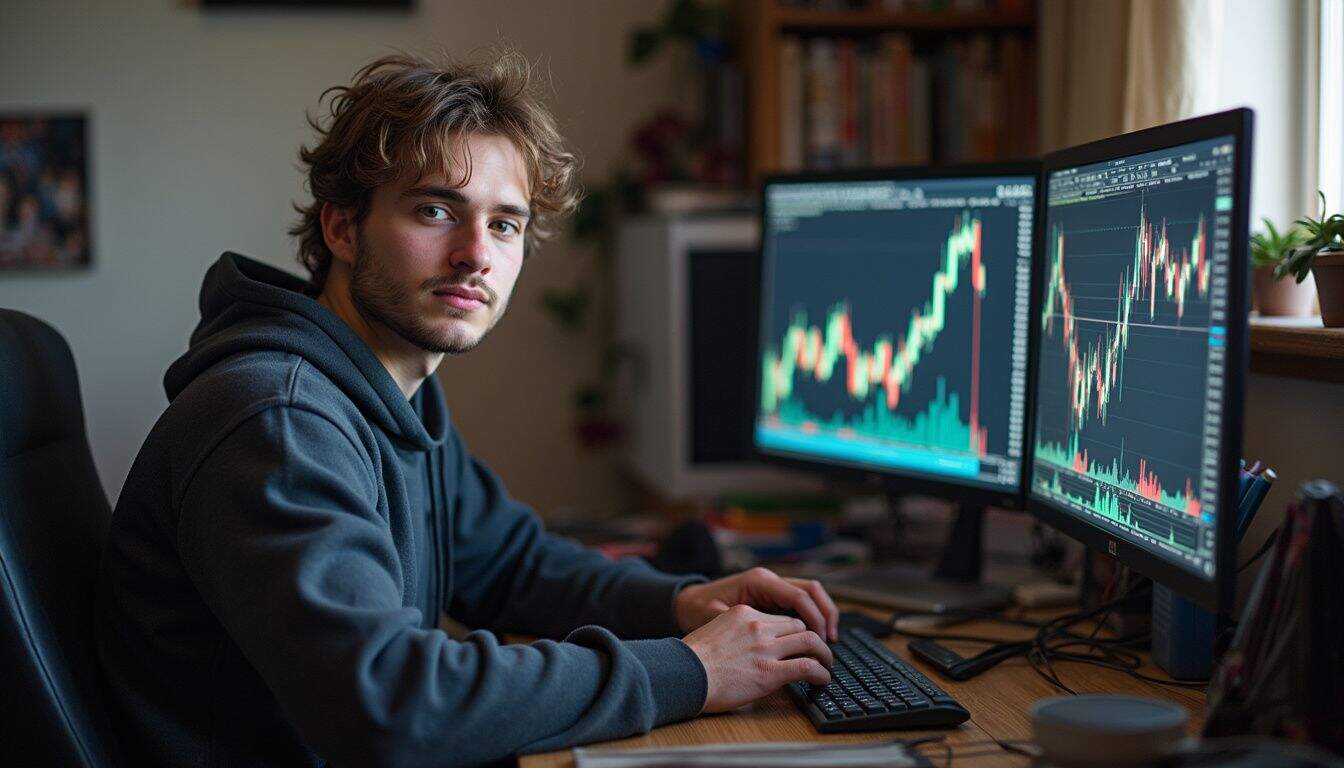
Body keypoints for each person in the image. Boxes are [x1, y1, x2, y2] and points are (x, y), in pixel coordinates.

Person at [97, 51, 837, 768]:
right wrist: (690, 671)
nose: (475, 254)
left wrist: (685, 605)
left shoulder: (384, 390)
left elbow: (512, 565)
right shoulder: (278, 422)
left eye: (505, 224)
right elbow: (392, 705)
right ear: (342, 228)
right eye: (434, 210)